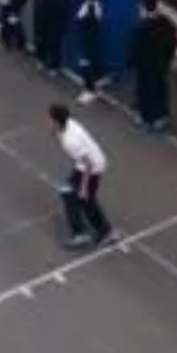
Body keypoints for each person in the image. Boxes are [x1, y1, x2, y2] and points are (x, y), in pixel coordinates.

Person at [50, 103, 113, 248]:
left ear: (56, 120)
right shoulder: (69, 124)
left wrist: (84, 187)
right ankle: (87, 232)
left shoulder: (70, 141)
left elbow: (88, 164)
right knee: (70, 195)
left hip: (92, 167)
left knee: (84, 199)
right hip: (86, 164)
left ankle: (101, 233)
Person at [129, 0, 177, 131]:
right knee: (160, 89)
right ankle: (161, 116)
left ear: (144, 9)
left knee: (145, 91)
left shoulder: (140, 29)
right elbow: (173, 43)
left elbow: (134, 49)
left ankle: (147, 117)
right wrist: (168, 59)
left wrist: (131, 62)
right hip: (161, 65)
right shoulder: (167, 24)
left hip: (145, 67)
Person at [72, 0, 106, 104]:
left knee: (86, 64)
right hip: (84, 37)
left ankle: (90, 90)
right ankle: (92, 87)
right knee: (86, 63)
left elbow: (94, 21)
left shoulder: (95, 6)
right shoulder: (82, 1)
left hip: (89, 39)